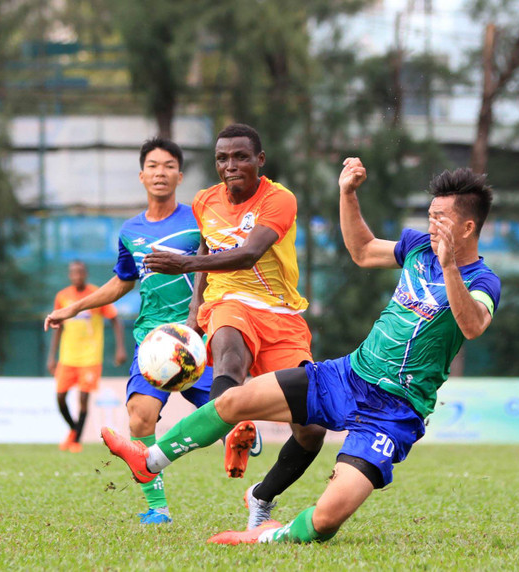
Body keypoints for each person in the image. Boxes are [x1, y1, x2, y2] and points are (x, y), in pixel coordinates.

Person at [103, 159, 501, 544]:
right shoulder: (417, 248)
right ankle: (149, 461)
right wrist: (347, 194)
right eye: (429, 216)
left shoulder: (483, 280)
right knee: (234, 400)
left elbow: (473, 325)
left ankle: (265, 535)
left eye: (440, 220)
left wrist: (450, 268)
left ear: (467, 227)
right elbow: (363, 250)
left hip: (393, 411)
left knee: (326, 520)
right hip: (348, 376)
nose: (431, 226)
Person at [142, 123, 326, 528]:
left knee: (312, 428)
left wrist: (182, 263)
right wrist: (194, 317)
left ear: (260, 160)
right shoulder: (205, 200)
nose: (230, 165)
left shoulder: (279, 199)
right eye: (222, 158)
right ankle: (236, 428)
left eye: (241, 157)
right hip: (227, 301)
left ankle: (261, 496)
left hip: (280, 314)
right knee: (229, 360)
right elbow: (208, 252)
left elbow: (249, 254)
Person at [44, 137, 213, 524]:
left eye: (168, 166)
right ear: (141, 176)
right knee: (139, 416)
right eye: (153, 166)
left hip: (198, 336)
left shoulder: (200, 219)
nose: (160, 172)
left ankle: (243, 444)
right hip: (153, 340)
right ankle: (158, 508)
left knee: (229, 412)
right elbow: (122, 280)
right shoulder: (130, 230)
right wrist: (73, 307)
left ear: (180, 175)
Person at [47, 260, 126, 452]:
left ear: (85, 274)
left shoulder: (96, 294)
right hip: (67, 356)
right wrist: (52, 356)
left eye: (80, 272)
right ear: (69, 275)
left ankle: (75, 441)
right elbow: (58, 327)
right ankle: (74, 431)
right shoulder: (62, 296)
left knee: (83, 398)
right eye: (74, 272)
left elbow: (115, 319)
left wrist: (120, 348)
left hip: (90, 357)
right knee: (60, 397)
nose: (77, 275)